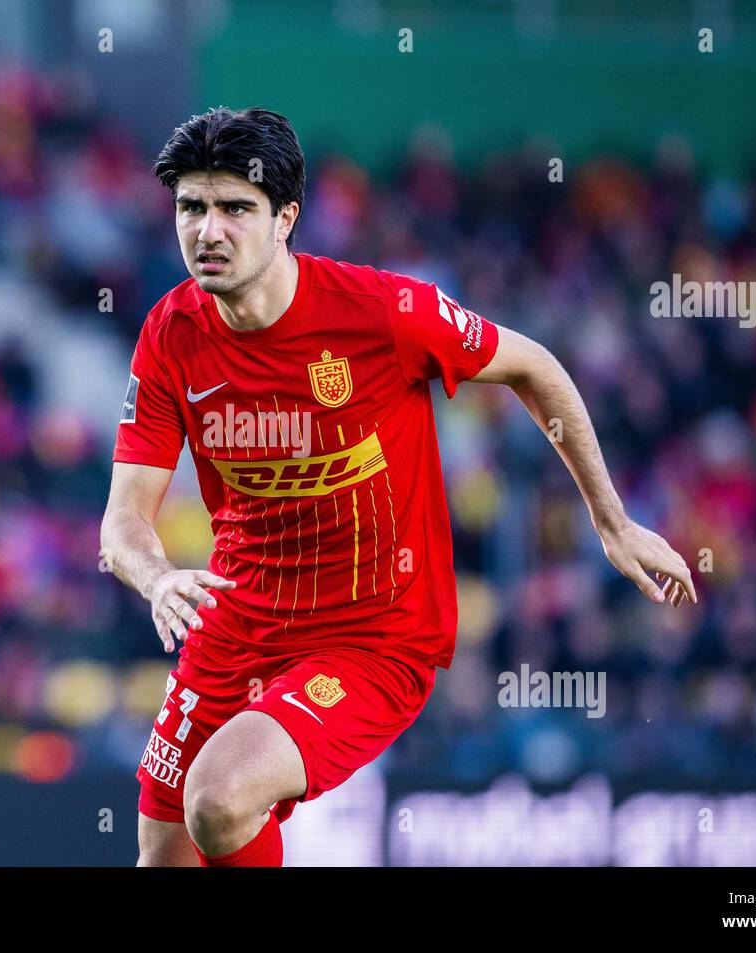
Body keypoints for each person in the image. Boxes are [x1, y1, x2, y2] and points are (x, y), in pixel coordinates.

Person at [99, 107, 696, 867]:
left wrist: (612, 522)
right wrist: (155, 580)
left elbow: (534, 366)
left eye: (234, 209)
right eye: (191, 207)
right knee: (163, 850)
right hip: (237, 622)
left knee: (219, 798)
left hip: (372, 636)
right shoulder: (171, 333)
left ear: (285, 219)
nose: (208, 230)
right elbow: (122, 524)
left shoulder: (382, 313)